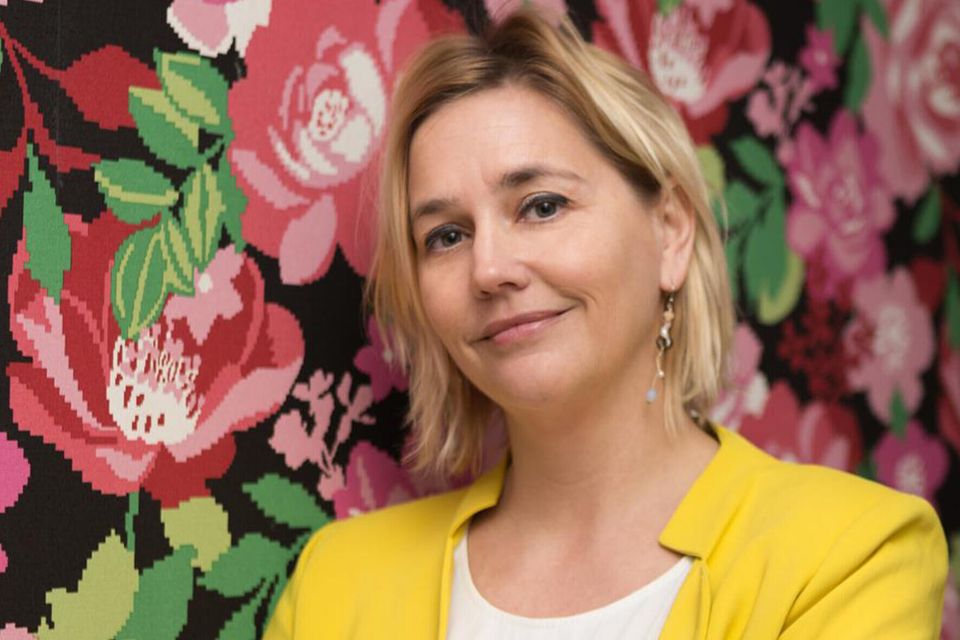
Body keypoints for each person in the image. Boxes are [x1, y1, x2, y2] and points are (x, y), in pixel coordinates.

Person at [263, 8, 947, 639]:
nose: (489, 269)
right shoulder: (336, 584)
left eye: (541, 206)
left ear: (670, 232)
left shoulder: (851, 556)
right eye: (446, 236)